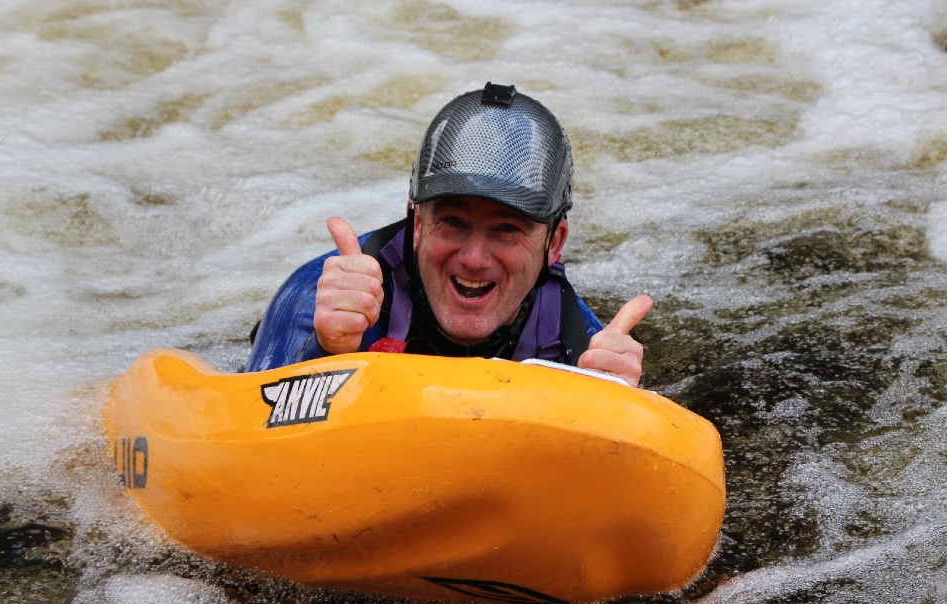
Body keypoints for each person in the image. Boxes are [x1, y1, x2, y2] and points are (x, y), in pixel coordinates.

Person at [247, 82, 652, 386]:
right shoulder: (317, 300)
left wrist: (621, 404)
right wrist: (326, 352)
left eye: (507, 229)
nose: (474, 258)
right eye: (453, 221)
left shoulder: (581, 345)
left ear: (555, 244)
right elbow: (248, 448)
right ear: (418, 224)